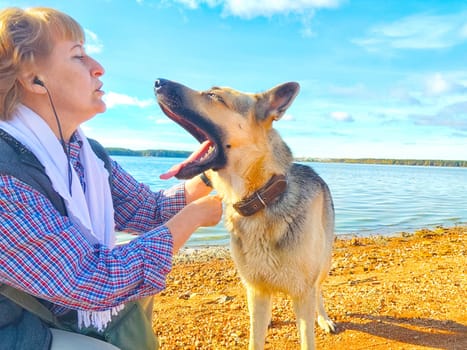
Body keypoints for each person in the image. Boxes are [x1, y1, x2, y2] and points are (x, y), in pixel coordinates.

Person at [0, 6, 222, 350]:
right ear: (33, 80)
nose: (98, 68)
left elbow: (149, 211)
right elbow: (92, 278)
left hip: (55, 312)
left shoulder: (86, 155)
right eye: (77, 56)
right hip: (15, 330)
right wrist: (192, 218)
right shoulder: (5, 175)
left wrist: (220, 168)